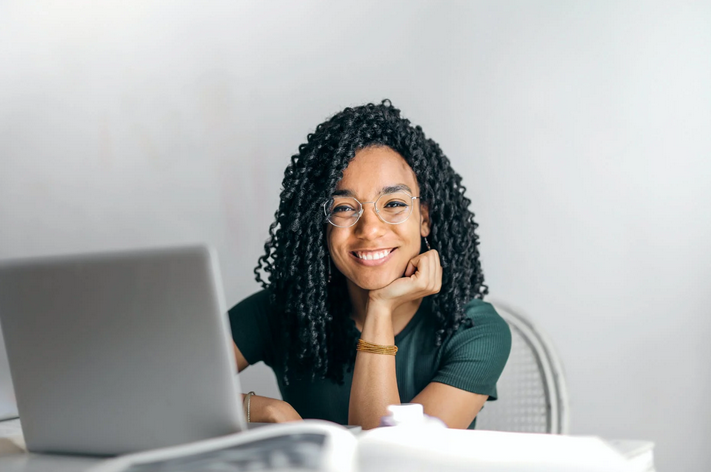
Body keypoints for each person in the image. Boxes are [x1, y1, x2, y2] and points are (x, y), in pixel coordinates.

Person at [229, 100, 511, 430]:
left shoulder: (474, 330)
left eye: (393, 204)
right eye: (344, 208)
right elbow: (162, 387)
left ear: (424, 218)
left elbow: (389, 461)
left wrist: (381, 307)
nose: (370, 229)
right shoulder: (283, 310)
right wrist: (265, 409)